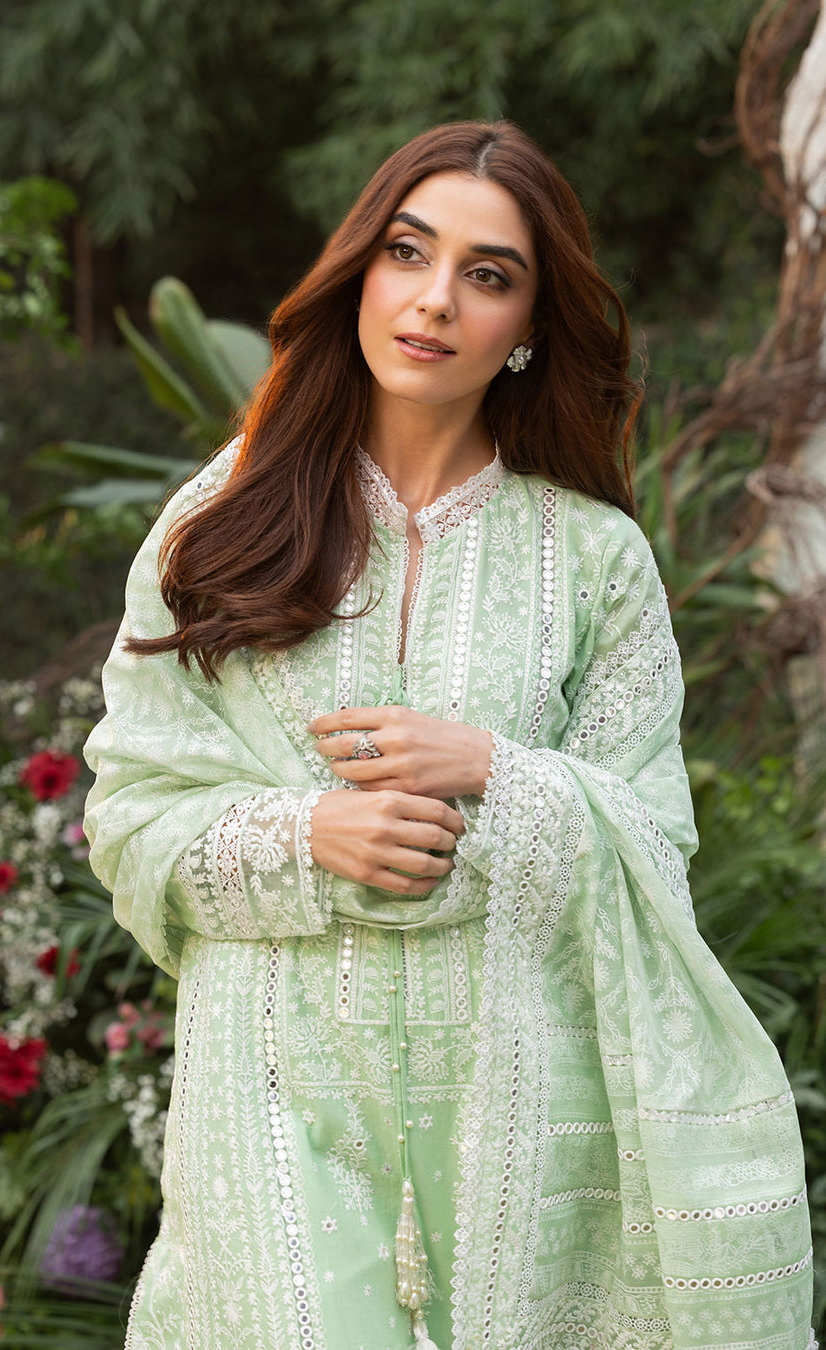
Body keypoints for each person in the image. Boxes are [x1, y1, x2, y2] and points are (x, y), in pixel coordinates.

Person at [83, 121, 815, 1350]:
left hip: (518, 1104)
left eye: (487, 274)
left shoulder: (595, 559)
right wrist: (311, 835)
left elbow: (654, 849)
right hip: (275, 1082)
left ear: (528, 324)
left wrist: (498, 774)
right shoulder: (219, 522)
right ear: (359, 273)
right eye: (408, 253)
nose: (435, 300)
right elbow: (130, 816)